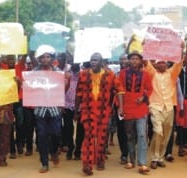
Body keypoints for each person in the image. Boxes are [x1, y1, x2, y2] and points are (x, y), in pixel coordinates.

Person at [74, 52, 124, 176]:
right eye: (91, 60)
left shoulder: (110, 75)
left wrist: (121, 107)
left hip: (104, 111)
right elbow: (78, 93)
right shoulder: (83, 74)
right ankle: (87, 164)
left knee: (102, 137)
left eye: (96, 60)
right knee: (89, 137)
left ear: (101, 62)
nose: (93, 62)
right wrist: (76, 111)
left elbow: (120, 90)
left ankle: (100, 160)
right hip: (88, 110)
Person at [31, 45, 69, 173]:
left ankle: (53, 152)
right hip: (40, 108)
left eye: (48, 57)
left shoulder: (57, 72)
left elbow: (63, 90)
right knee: (41, 135)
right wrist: (21, 82)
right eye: (43, 57)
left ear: (52, 58)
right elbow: (29, 89)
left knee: (56, 133)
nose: (45, 59)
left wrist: (67, 82)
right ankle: (44, 163)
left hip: (54, 107)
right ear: (39, 59)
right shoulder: (34, 72)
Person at [145, 54, 183, 169]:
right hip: (155, 107)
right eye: (159, 63)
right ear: (156, 65)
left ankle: (160, 157)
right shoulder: (152, 73)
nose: (162, 64)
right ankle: (153, 158)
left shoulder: (172, 74)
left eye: (164, 63)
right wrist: (144, 46)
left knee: (166, 134)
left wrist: (182, 49)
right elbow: (146, 60)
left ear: (167, 64)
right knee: (157, 131)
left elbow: (179, 63)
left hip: (169, 107)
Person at [119, 51, 152, 174]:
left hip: (141, 108)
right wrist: (120, 107)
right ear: (128, 61)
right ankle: (131, 160)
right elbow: (119, 91)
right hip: (127, 108)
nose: (134, 61)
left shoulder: (146, 74)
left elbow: (149, 89)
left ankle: (142, 163)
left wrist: (143, 97)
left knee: (142, 135)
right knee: (130, 136)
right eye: (132, 58)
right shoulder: (122, 74)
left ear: (140, 61)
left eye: (136, 59)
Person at [62, 63, 80, 160]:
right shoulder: (66, 74)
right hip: (67, 105)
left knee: (80, 130)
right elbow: (61, 89)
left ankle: (78, 150)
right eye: (73, 61)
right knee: (68, 127)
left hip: (80, 106)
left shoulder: (83, 75)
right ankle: (70, 147)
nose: (75, 64)